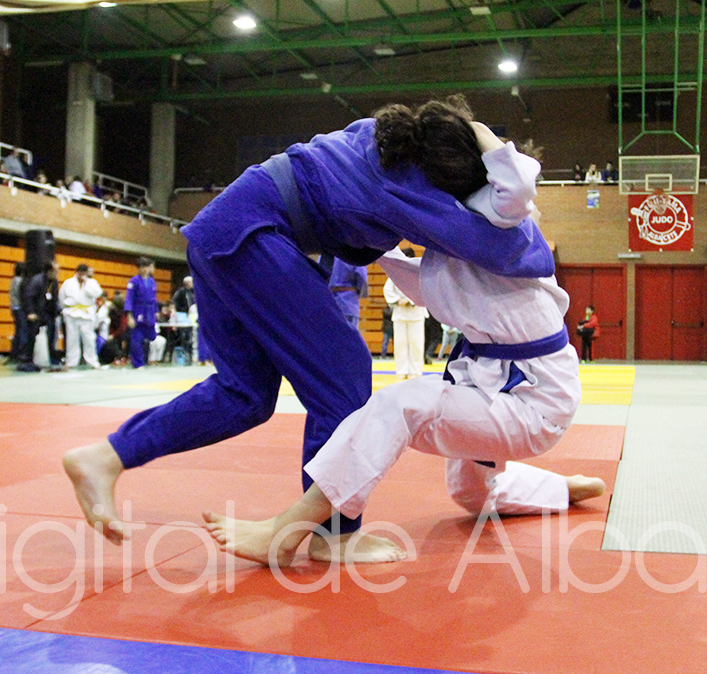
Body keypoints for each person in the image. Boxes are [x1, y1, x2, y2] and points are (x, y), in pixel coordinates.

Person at [63, 96, 554, 560]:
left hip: (221, 233)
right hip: (251, 235)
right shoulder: (413, 183)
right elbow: (518, 247)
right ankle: (332, 535)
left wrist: (474, 134)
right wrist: (488, 146)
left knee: (243, 396)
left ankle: (105, 456)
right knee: (344, 373)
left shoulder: (381, 137)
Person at [204, 136, 605, 566]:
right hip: (491, 382)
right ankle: (559, 489)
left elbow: (518, 184)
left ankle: (286, 531)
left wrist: (471, 129)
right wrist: (368, 240)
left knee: (399, 404)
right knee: (469, 492)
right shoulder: (458, 242)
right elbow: (419, 279)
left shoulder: (502, 222)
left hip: (534, 399)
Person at [385, 257, 428, 381]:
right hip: (400, 313)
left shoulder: (418, 274)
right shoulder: (395, 275)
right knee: (400, 344)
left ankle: (416, 372)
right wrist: (397, 300)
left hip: (416, 314)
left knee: (416, 344)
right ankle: (401, 371)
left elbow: (423, 290)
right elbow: (387, 290)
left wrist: (410, 300)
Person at [60, 264, 102, 368]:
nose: (81, 275)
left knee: (89, 339)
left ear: (86, 273)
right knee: (71, 339)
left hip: (87, 314)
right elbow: (61, 297)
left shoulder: (92, 283)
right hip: (71, 313)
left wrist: (86, 283)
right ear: (76, 272)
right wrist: (64, 309)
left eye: (83, 273)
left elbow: (97, 293)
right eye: (80, 272)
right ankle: (71, 362)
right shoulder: (68, 283)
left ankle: (92, 362)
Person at [23, 260, 62, 370]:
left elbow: (55, 298)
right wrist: (30, 312)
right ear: (49, 271)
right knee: (32, 337)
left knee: (51, 337)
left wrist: (57, 311)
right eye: (56, 271)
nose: (58, 273)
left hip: (49, 314)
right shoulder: (37, 280)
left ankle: (50, 358)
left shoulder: (54, 282)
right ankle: (28, 360)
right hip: (37, 313)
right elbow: (29, 297)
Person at [125, 257, 158, 369]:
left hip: (150, 312)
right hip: (137, 312)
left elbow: (154, 298)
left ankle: (145, 358)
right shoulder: (133, 281)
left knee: (152, 336)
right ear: (138, 268)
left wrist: (156, 311)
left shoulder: (152, 281)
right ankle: (138, 363)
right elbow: (129, 299)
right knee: (136, 339)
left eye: (146, 267)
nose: (144, 269)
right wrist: (129, 316)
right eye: (142, 267)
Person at [329, 258, 369, 329]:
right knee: (349, 333)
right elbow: (361, 276)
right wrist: (361, 292)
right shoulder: (354, 254)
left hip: (327, 300)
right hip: (348, 301)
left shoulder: (326, 253)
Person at [171, 275, 196, 365]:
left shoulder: (193, 291)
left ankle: (191, 356)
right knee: (184, 336)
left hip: (191, 315)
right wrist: (174, 312)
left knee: (191, 335)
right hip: (182, 315)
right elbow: (173, 302)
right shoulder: (181, 291)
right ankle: (183, 355)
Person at [9, 263, 28, 366]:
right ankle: (20, 354)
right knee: (22, 332)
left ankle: (14, 353)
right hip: (20, 308)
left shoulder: (14, 280)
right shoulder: (19, 281)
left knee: (18, 331)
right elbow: (22, 295)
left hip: (15, 308)